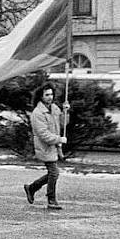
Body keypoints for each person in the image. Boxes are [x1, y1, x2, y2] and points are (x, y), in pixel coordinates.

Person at [24, 83, 69, 211]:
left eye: (51, 94)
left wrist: (66, 111)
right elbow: (43, 135)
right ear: (41, 96)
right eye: (47, 95)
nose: (50, 97)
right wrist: (59, 139)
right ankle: (51, 200)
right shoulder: (38, 113)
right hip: (45, 147)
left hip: (54, 146)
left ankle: (32, 188)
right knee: (54, 173)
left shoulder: (54, 108)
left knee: (52, 173)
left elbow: (64, 123)